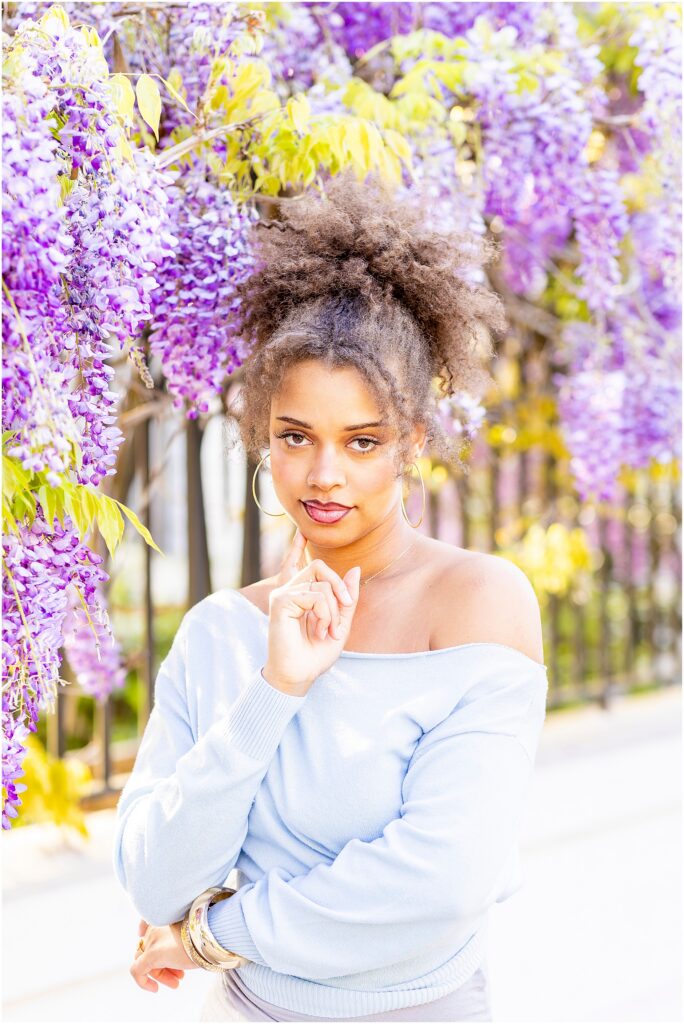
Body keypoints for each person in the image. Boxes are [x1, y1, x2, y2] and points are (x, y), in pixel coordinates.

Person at [114, 170, 548, 1021]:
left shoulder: (480, 603)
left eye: (362, 441)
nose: (323, 475)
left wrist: (213, 935)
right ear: (260, 436)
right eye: (295, 436)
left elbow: (439, 884)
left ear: (412, 440)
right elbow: (156, 876)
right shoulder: (220, 636)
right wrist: (274, 690)